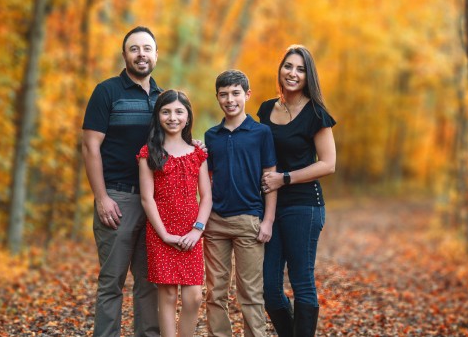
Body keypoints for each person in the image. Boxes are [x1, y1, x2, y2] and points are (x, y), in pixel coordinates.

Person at [82, 26, 163, 337]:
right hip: (118, 199)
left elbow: (173, 141)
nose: (141, 54)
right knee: (112, 281)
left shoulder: (161, 97)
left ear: (156, 54)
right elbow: (90, 146)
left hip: (154, 202)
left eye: (147, 48)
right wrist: (102, 197)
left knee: (149, 282)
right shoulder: (107, 92)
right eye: (134, 49)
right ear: (125, 55)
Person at [257, 45, 337, 337]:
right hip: (270, 207)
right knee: (269, 289)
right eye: (288, 66)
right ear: (280, 69)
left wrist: (285, 178)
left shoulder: (316, 114)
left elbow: (328, 164)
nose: (293, 73)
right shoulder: (266, 109)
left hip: (304, 205)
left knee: (302, 281)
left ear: (308, 76)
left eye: (300, 69)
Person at [203, 70, 277, 337]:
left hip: (249, 221)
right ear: (217, 98)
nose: (229, 99)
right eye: (223, 94)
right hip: (216, 223)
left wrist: (267, 220)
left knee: (250, 293)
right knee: (215, 292)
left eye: (235, 93)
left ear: (247, 95)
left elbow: (269, 179)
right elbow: (207, 180)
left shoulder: (261, 133)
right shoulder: (211, 136)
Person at [137, 89, 212, 337]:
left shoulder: (197, 153)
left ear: (188, 117)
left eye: (179, 111)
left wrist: (197, 230)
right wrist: (164, 234)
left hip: (192, 233)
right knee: (167, 294)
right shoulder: (149, 153)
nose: (173, 117)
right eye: (166, 111)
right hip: (161, 233)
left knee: (193, 297)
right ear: (158, 116)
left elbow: (206, 197)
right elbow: (147, 198)